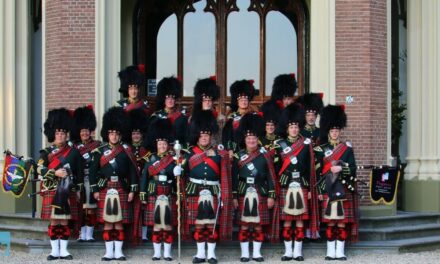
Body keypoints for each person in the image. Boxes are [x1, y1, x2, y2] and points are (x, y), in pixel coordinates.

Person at [182, 110, 232, 264]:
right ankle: (200, 254)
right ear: (197, 136)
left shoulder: (219, 153)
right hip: (194, 190)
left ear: (211, 137)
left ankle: (211, 254)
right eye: (202, 135)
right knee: (198, 224)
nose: (204, 138)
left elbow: (224, 176)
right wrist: (178, 170)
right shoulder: (189, 153)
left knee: (211, 224)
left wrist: (224, 194)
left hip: (213, 190)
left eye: (207, 135)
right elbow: (183, 174)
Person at [89, 107, 139, 261]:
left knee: (119, 222)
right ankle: (108, 252)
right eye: (111, 133)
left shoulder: (126, 151)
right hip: (106, 188)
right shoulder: (99, 151)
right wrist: (95, 189)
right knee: (107, 223)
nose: (114, 136)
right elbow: (92, 172)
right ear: (107, 134)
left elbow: (132, 172)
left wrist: (132, 190)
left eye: (117, 133)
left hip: (122, 188)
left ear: (120, 134)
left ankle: (119, 252)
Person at [273, 103, 319, 261]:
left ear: (299, 128)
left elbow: (309, 167)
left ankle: (298, 252)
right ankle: (287, 252)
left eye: (296, 127)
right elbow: (276, 167)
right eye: (291, 127)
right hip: (285, 183)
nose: (294, 129)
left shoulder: (306, 144)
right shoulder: (279, 144)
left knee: (299, 220)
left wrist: (311, 188)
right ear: (287, 129)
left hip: (302, 183)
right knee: (287, 221)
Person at [38, 108, 83, 260]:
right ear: (53, 134)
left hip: (67, 189)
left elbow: (79, 173)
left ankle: (63, 250)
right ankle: (54, 251)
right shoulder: (45, 152)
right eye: (57, 133)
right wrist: (54, 173)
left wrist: (77, 190)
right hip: (51, 189)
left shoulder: (73, 152)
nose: (60, 136)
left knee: (64, 221)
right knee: (53, 221)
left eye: (63, 133)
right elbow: (40, 170)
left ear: (66, 135)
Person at [232, 113, 278, 262]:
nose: (251, 140)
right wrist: (234, 196)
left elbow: (271, 176)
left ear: (258, 139)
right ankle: (245, 253)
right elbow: (234, 178)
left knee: (258, 226)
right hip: (243, 191)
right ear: (244, 140)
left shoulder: (265, 155)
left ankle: (257, 253)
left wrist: (271, 195)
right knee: (244, 226)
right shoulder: (238, 156)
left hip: (260, 190)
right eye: (248, 138)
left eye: (254, 138)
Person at [314, 105, 358, 261]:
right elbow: (317, 172)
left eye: (337, 131)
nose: (334, 133)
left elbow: (353, 169)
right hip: (327, 188)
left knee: (341, 223)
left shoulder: (346, 149)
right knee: (330, 222)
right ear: (328, 132)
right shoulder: (320, 149)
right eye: (332, 131)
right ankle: (330, 251)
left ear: (340, 132)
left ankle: (340, 251)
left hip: (342, 187)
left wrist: (342, 167)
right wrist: (319, 191)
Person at [140, 118, 178, 261]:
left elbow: (176, 181)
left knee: (167, 225)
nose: (162, 146)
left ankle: (167, 253)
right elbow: (144, 177)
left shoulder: (173, 159)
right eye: (159, 144)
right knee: (156, 225)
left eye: (164, 144)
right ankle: (156, 252)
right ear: (156, 144)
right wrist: (143, 195)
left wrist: (178, 171)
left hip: (168, 193)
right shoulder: (150, 159)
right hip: (154, 193)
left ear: (168, 145)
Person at [71, 105, 101, 242]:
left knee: (91, 208)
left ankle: (89, 234)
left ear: (91, 131)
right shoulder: (75, 147)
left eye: (87, 131)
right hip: (79, 179)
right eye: (82, 131)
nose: (85, 133)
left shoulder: (98, 145)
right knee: (80, 208)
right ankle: (81, 234)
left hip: (92, 178)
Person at [128, 108, 151, 242]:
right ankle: (132, 232)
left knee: (143, 208)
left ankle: (143, 234)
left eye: (138, 133)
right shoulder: (127, 148)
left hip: (144, 181)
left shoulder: (146, 150)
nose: (136, 136)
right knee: (130, 208)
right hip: (131, 181)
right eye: (134, 133)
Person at [222, 80, 257, 155]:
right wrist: (230, 149)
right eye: (241, 100)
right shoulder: (232, 117)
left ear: (248, 101)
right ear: (237, 102)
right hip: (236, 150)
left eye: (245, 100)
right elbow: (227, 136)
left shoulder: (254, 115)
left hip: (253, 149)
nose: (244, 102)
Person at [150, 76, 188, 144]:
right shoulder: (156, 117)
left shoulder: (182, 117)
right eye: (167, 98)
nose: (170, 101)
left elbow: (185, 138)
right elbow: (152, 138)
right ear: (163, 99)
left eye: (172, 98)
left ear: (175, 99)